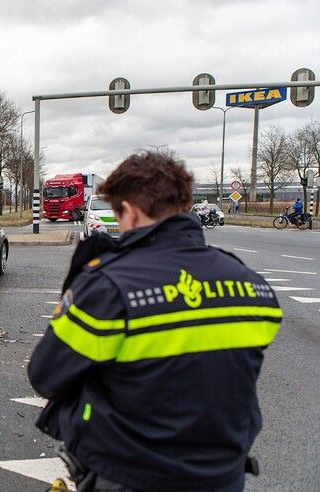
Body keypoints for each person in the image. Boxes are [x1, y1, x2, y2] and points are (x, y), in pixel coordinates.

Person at [29, 152, 282, 492]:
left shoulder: (110, 287)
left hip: (130, 475)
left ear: (130, 211)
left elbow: (45, 376)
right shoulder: (250, 284)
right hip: (224, 476)